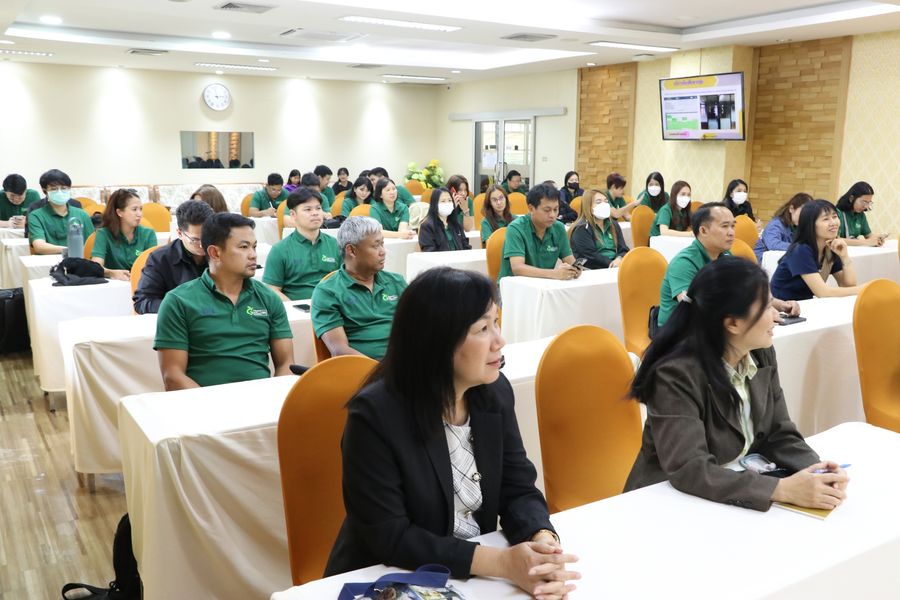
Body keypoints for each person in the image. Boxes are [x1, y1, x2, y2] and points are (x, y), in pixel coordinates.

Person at [326, 267, 580, 599]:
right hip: (390, 577)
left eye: (496, 323)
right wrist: (502, 563)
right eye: (483, 329)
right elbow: (391, 536)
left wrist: (542, 541)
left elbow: (518, 488)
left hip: (474, 575)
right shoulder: (375, 415)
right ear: (438, 341)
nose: (500, 341)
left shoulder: (494, 392)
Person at [626, 257, 849, 511]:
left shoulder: (760, 353)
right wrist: (781, 489)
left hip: (729, 487)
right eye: (766, 307)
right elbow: (689, 468)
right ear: (732, 323)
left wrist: (816, 472)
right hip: (668, 500)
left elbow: (779, 432)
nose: (776, 316)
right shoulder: (674, 373)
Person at [154, 212, 294, 389]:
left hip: (260, 398)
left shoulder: (268, 298)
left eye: (254, 246)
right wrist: (215, 404)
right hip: (202, 401)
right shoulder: (178, 301)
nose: (253, 255)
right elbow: (173, 376)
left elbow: (286, 364)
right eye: (244, 247)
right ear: (215, 253)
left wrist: (273, 395)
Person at [658, 203, 799, 328]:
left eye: (733, 226)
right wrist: (756, 311)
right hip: (680, 333)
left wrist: (780, 305)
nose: (731, 232)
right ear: (703, 231)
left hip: (711, 327)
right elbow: (693, 308)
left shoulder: (725, 256)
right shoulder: (684, 263)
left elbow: (748, 290)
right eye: (724, 226)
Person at [310, 216, 407, 360]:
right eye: (375, 246)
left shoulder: (396, 282)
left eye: (382, 244)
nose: (383, 251)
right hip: (363, 370)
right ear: (352, 250)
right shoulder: (328, 292)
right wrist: (384, 369)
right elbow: (340, 351)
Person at [770, 199, 862, 300]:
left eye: (835, 217)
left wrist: (844, 256)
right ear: (811, 224)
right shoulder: (801, 250)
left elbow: (847, 285)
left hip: (805, 304)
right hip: (782, 306)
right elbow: (823, 293)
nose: (833, 223)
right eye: (825, 219)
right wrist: (862, 289)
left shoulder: (830, 247)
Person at [133, 200, 214, 314]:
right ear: (180, 233)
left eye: (207, 237)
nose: (203, 245)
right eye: (195, 240)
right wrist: (181, 307)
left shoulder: (223, 252)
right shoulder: (160, 259)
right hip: (179, 320)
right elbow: (143, 302)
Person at [263, 187, 341, 301]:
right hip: (296, 307)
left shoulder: (335, 244)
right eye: (308, 209)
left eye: (318, 208)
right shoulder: (280, 250)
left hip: (331, 306)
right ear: (293, 215)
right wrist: (294, 307)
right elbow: (272, 289)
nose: (315, 213)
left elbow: (346, 281)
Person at [497, 184, 580, 282]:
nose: (552, 215)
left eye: (555, 209)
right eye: (547, 210)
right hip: (514, 286)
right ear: (531, 208)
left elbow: (569, 259)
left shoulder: (559, 228)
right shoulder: (516, 228)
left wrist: (575, 269)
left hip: (544, 285)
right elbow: (518, 268)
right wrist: (554, 273)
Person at [90, 189, 157, 280]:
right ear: (119, 212)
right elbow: (96, 267)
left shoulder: (148, 234)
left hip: (142, 283)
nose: (139, 214)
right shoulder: (103, 234)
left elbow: (153, 268)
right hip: (113, 285)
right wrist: (111, 273)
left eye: (141, 209)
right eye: (134, 209)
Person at [28, 169, 94, 255]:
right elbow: (39, 247)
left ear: (69, 189)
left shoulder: (82, 214)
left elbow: (92, 243)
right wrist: (71, 250)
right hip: (48, 261)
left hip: (78, 260)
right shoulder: (36, 216)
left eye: (64, 188)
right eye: (54, 189)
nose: (59, 192)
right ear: (45, 191)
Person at [569, 189, 629, 269]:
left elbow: (623, 249)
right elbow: (590, 256)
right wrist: (611, 264)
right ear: (589, 206)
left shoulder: (613, 224)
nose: (604, 205)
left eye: (606, 201)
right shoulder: (581, 228)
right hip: (595, 269)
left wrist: (619, 258)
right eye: (598, 202)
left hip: (616, 266)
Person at [753, 193, 812, 262]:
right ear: (791, 209)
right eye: (803, 212)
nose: (805, 217)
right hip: (763, 261)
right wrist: (798, 247)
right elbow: (773, 244)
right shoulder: (776, 224)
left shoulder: (798, 227)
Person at [418, 187, 472, 252]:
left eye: (450, 200)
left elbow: (465, 246)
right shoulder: (427, 226)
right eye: (443, 201)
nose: (447, 203)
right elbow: (429, 252)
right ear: (435, 204)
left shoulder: (455, 224)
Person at [835, 181, 886, 247]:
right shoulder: (836, 214)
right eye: (864, 202)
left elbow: (869, 236)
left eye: (868, 203)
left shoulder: (860, 215)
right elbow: (836, 239)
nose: (865, 206)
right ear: (851, 198)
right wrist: (866, 242)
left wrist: (877, 239)